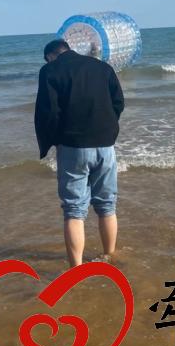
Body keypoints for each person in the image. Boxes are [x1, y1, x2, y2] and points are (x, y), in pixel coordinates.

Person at [34, 39, 125, 267]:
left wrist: (50, 142)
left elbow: (48, 112)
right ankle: (109, 255)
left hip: (72, 146)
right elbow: (118, 102)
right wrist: (107, 128)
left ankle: (76, 268)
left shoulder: (50, 71)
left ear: (51, 56)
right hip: (105, 145)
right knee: (107, 205)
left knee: (74, 210)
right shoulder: (102, 67)